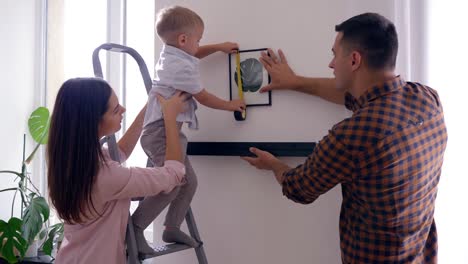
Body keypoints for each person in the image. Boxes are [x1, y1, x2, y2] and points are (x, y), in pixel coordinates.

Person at [242, 13, 447, 263]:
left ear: (354, 60)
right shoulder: (427, 98)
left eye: (334, 54)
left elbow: (299, 188)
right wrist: (295, 82)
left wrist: (273, 164)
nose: (330, 64)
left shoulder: (353, 136)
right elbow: (350, 96)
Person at [132, 5, 245, 253]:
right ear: (183, 39)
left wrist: (217, 47)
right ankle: (136, 227)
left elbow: (193, 52)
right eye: (198, 39)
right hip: (160, 133)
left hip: (169, 132)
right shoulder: (179, 67)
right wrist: (231, 106)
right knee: (172, 183)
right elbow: (203, 97)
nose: (199, 44)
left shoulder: (174, 54)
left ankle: (171, 227)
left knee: (189, 182)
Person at [47, 78, 189, 263]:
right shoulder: (105, 176)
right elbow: (173, 174)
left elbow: (120, 152)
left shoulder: (72, 160)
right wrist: (171, 117)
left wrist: (151, 104)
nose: (123, 110)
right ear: (94, 122)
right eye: (115, 110)